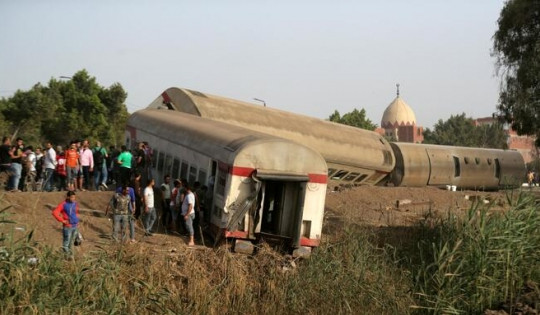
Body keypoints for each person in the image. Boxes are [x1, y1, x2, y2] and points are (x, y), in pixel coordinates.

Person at [52, 191, 80, 256]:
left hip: (75, 226)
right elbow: (55, 212)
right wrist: (62, 220)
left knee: (72, 243)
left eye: (74, 197)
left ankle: (71, 257)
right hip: (68, 227)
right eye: (72, 197)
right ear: (68, 197)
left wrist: (77, 221)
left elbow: (76, 212)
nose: (73, 199)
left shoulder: (75, 203)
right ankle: (67, 257)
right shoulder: (63, 204)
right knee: (66, 244)